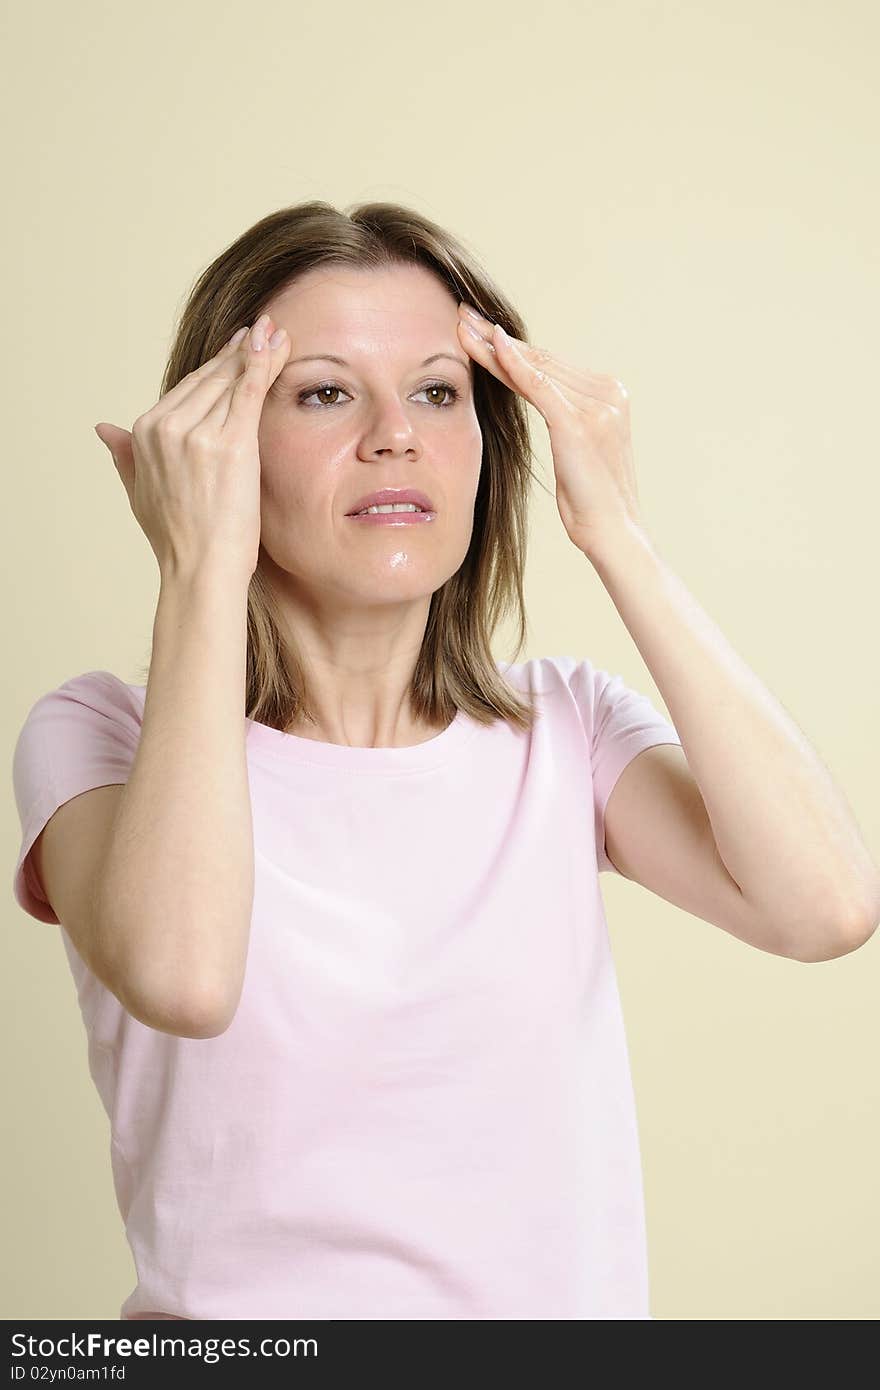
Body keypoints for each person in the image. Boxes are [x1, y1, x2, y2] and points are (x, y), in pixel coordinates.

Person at [13, 201, 876, 1322]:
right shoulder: (99, 737)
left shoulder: (563, 730)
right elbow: (182, 977)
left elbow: (825, 909)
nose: (395, 435)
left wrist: (616, 528)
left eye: (436, 391)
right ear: (216, 442)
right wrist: (199, 569)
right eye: (324, 391)